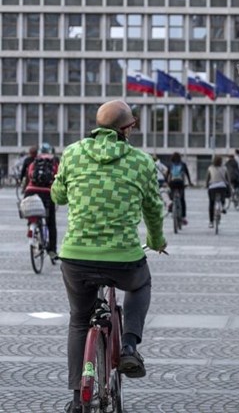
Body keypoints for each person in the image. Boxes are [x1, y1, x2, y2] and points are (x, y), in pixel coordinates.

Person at [51, 99, 166, 413]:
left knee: (78, 320)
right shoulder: (141, 162)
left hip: (75, 257)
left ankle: (77, 398)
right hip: (124, 258)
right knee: (141, 285)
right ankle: (129, 345)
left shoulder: (73, 153)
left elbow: (58, 195)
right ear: (126, 128)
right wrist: (156, 240)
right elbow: (154, 210)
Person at [23, 143, 59, 260]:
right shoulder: (54, 162)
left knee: (32, 214)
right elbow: (58, 179)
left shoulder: (34, 162)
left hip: (30, 191)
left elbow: (28, 175)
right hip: (46, 194)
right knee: (50, 223)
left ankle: (32, 229)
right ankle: (52, 251)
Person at [166, 152, 194, 225]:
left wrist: (166, 182)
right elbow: (187, 174)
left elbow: (167, 175)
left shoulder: (170, 165)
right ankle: (183, 216)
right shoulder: (183, 164)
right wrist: (190, 182)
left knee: (170, 195)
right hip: (180, 183)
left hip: (172, 183)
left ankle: (171, 205)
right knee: (182, 199)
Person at [206, 155, 231, 227]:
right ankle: (222, 205)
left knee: (211, 203)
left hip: (212, 187)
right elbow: (228, 180)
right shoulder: (224, 168)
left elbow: (208, 178)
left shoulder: (210, 168)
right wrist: (229, 187)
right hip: (222, 187)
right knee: (223, 195)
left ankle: (211, 222)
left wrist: (207, 185)